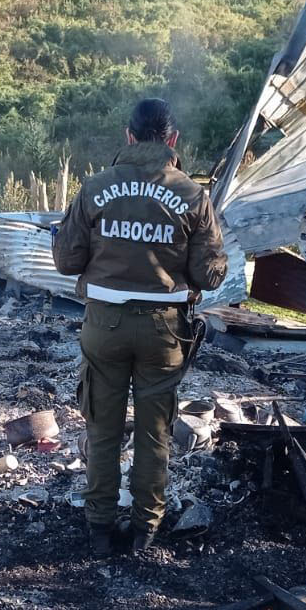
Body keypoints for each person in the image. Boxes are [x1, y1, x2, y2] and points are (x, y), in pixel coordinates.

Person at [52, 98, 228, 557]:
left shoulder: (94, 187)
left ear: (128, 137)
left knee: (102, 428)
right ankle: (145, 530)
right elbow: (209, 275)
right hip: (164, 332)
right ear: (172, 140)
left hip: (104, 326)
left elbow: (67, 261)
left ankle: (98, 530)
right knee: (155, 433)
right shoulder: (193, 195)